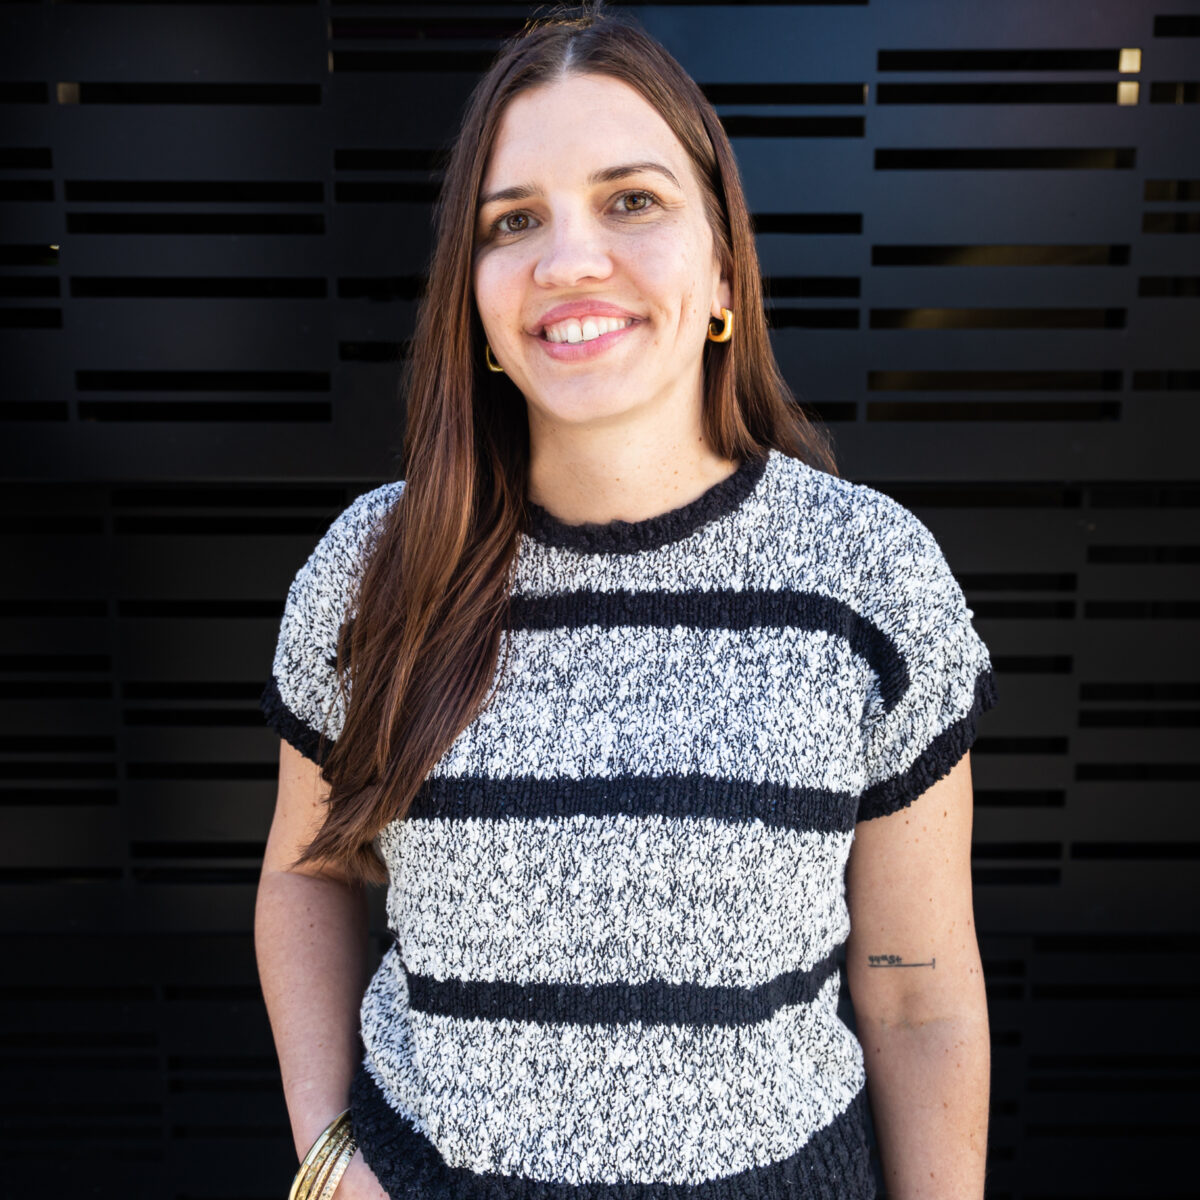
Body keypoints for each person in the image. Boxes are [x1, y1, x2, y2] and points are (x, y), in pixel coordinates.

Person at [255, 6, 998, 1199]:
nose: (568, 260)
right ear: (478, 300)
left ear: (721, 268)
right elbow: (310, 873)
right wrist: (326, 1153)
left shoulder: (870, 578)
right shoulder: (375, 568)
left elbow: (918, 991)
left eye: (632, 201)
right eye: (515, 222)